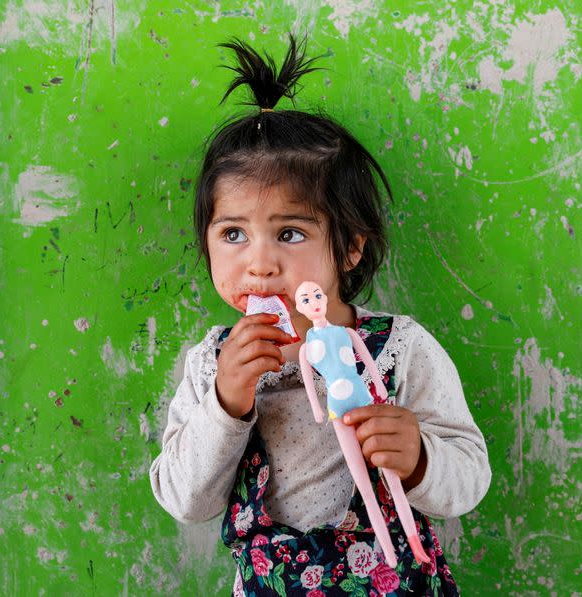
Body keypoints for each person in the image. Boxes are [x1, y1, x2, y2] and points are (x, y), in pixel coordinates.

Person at [149, 34, 491, 596]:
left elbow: (470, 477)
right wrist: (227, 405)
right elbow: (187, 502)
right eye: (233, 233)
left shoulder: (397, 349)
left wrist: (422, 459)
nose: (259, 263)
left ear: (350, 247)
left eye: (289, 233)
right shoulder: (213, 365)